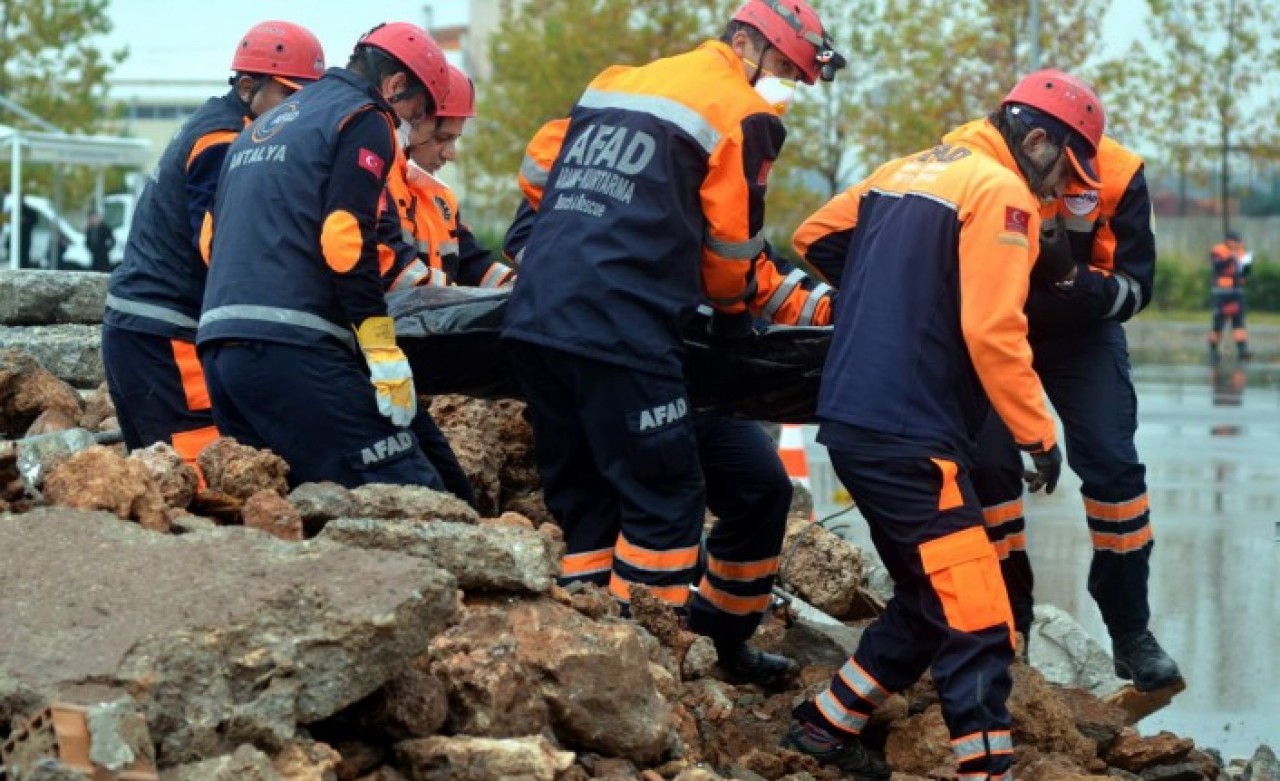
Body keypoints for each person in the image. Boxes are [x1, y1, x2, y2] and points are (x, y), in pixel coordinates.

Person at [500, 0, 845, 683]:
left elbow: (537, 176)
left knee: (706, 491)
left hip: (540, 323)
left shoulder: (617, 82)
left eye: (795, 78)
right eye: (783, 68)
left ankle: (706, 642)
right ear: (743, 40)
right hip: (624, 330)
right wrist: (730, 309)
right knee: (663, 505)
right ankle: (636, 676)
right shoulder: (741, 113)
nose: (783, 86)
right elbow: (730, 258)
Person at [782, 69, 1104, 779]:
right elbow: (993, 331)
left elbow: (816, 236)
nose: (1060, 191)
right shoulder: (1001, 193)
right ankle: (986, 769)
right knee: (980, 615)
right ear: (1038, 137)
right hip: (910, 436)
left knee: (930, 602)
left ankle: (822, 724)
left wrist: (894, 285)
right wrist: (1039, 433)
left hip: (858, 421)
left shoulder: (907, 169)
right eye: (1064, 170)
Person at [969, 131, 1182, 693]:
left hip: (1081, 331)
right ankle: (1007, 629)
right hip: (993, 323)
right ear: (1030, 137)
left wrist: (1073, 281)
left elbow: (1135, 288)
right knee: (988, 469)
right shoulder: (976, 151)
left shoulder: (1117, 172)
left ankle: (1130, 631)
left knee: (1114, 468)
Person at [198, 22, 452, 489]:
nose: (409, 126)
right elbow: (346, 238)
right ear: (395, 86)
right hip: (292, 347)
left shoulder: (268, 124)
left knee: (295, 505)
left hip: (220, 350)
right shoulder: (364, 116)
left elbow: (210, 241)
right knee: (418, 494)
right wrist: (381, 347)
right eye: (415, 112)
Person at [101, 21, 325, 473]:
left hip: (151, 328)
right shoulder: (222, 142)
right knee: (200, 475)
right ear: (247, 86)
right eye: (290, 97)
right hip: (165, 334)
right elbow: (220, 243)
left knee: (163, 480)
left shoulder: (232, 129)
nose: (298, 112)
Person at [376, 63, 508, 505]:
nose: (450, 153)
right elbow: (401, 281)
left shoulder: (437, 200)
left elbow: (475, 265)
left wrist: (524, 289)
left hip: (422, 369)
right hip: (385, 360)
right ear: (414, 120)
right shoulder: (377, 182)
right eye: (443, 138)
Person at [1208, 230, 1252, 362]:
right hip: (1222, 292)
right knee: (1219, 322)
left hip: (1237, 292)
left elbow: (1247, 272)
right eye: (1235, 241)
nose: (1237, 244)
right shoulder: (1218, 251)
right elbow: (1217, 267)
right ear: (1228, 241)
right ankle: (1213, 350)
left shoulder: (1243, 253)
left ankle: (1243, 349)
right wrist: (1230, 258)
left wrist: (1242, 266)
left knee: (1238, 321)